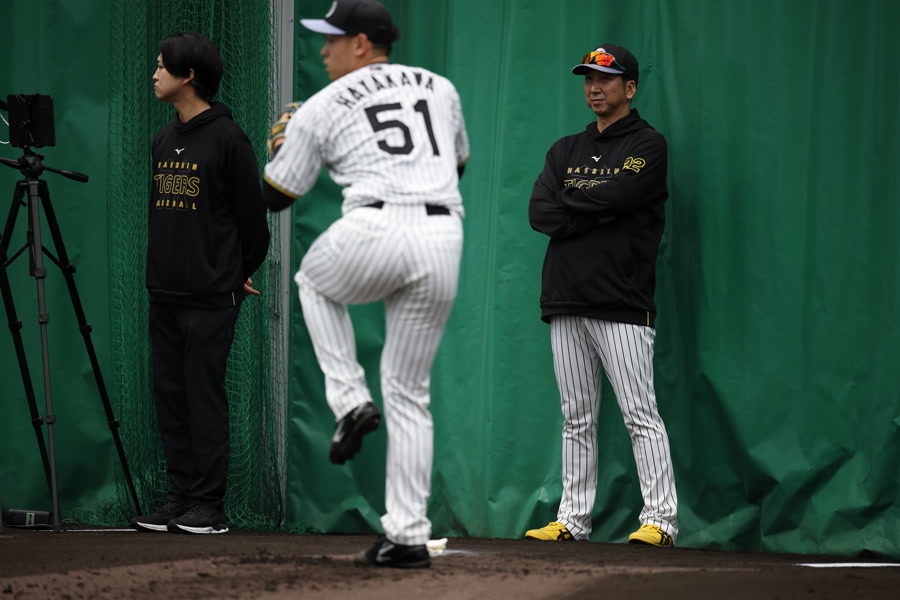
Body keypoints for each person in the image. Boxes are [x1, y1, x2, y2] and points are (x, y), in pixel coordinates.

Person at [263, 0, 469, 569]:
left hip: (375, 226)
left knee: (313, 281)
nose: (322, 49)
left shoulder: (322, 104)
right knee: (409, 393)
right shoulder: (441, 87)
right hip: (442, 235)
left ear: (361, 44)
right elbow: (455, 168)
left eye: (332, 39)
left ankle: (350, 400)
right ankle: (408, 536)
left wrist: (282, 148)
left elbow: (277, 196)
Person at [525, 44, 678, 546]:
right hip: (565, 298)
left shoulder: (648, 145)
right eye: (589, 79)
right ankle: (572, 520)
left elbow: (621, 195)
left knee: (639, 414)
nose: (595, 87)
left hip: (622, 301)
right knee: (576, 419)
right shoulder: (564, 149)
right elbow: (539, 212)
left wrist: (575, 204)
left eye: (606, 79)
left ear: (629, 88)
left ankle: (661, 521)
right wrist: (594, 209)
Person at [130, 32, 270, 535]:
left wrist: (232, 274)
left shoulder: (229, 140)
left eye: (162, 66)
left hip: (211, 300)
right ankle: (179, 498)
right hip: (164, 295)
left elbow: (254, 226)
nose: (154, 74)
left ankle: (208, 506)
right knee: (170, 397)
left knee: (203, 398)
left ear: (189, 75)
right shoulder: (162, 138)